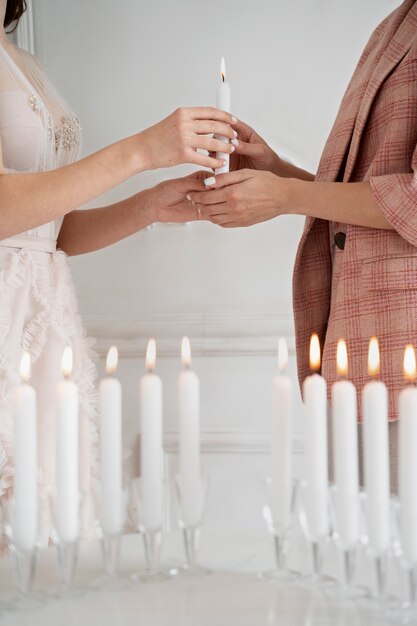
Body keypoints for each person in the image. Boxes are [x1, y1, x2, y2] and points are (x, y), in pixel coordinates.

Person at [0, 0, 237, 549]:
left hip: (43, 323)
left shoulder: (23, 61)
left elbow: (45, 231)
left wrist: (149, 205)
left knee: (49, 536)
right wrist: (140, 151)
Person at [190, 0, 417, 487]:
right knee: (360, 545)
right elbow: (378, 202)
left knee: (393, 549)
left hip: (403, 350)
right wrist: (280, 172)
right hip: (359, 351)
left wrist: (287, 196)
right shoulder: (394, 25)